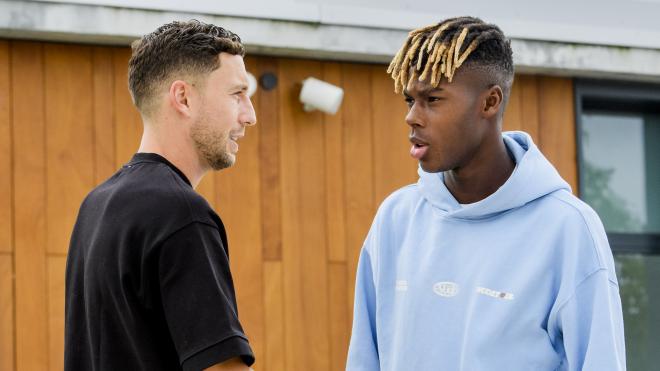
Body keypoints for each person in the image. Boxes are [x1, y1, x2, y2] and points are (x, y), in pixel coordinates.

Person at [346, 16, 626, 371]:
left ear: (490, 102)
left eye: (432, 99)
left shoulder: (568, 229)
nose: (412, 117)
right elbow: (363, 360)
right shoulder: (395, 219)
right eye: (409, 101)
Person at [65, 20, 257, 371]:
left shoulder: (95, 205)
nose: (250, 115)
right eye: (236, 94)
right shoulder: (181, 213)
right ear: (183, 97)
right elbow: (222, 365)